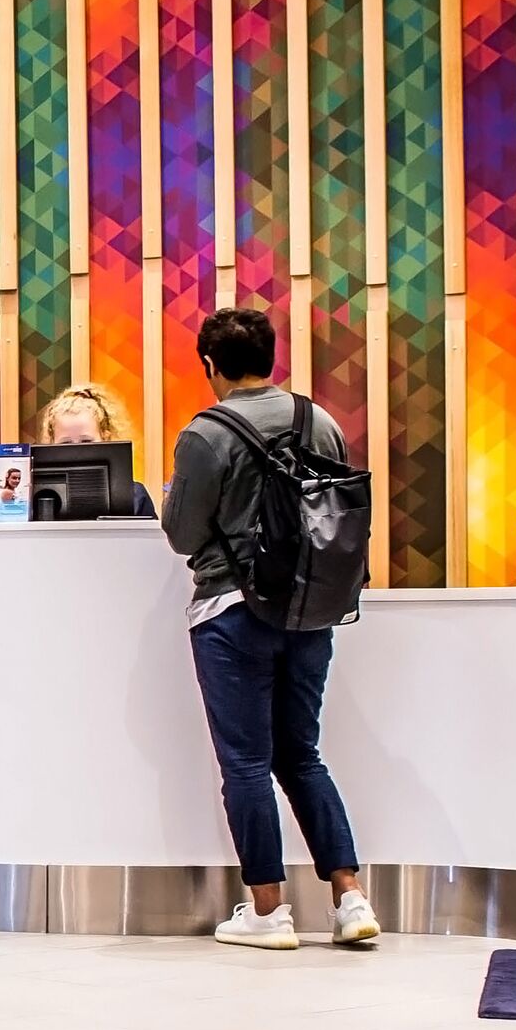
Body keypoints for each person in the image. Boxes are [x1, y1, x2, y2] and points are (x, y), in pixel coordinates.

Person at [161, 308, 378, 952]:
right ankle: (350, 899)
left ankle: (267, 912)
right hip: (311, 610)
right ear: (271, 356)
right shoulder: (320, 421)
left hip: (231, 612)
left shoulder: (206, 434)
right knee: (301, 755)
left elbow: (182, 535)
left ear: (210, 365)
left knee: (247, 763)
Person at [35, 383, 156, 517]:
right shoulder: (33, 500)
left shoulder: (135, 498)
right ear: (51, 443)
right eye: (66, 443)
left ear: (105, 438)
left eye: (86, 441)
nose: (77, 453)